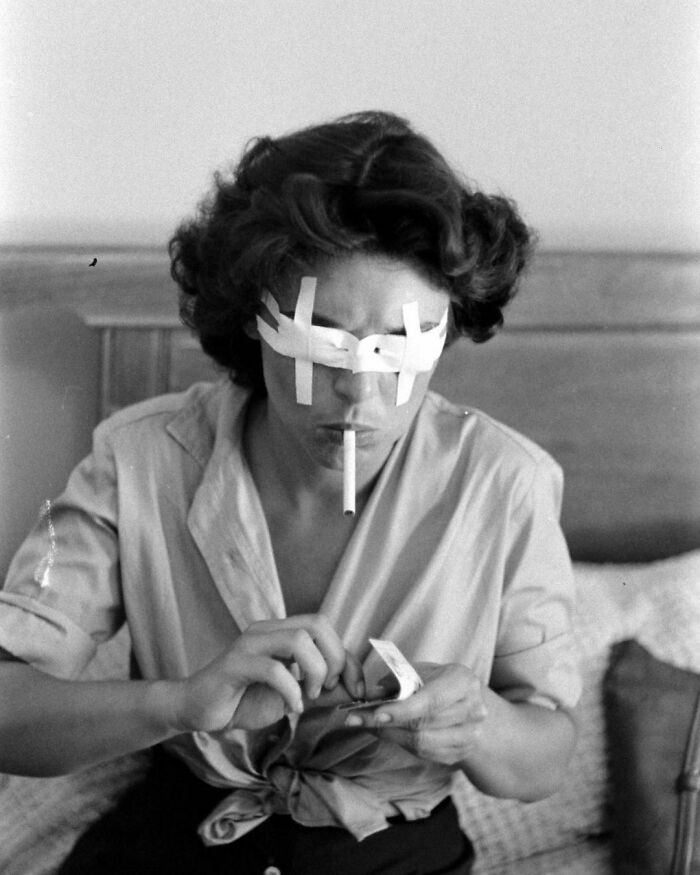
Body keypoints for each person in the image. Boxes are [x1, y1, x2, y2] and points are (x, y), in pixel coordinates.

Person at [0, 111, 580, 874]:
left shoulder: (506, 483)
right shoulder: (139, 458)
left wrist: (478, 724)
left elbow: (546, 757)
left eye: (402, 347)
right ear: (253, 320)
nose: (360, 393)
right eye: (321, 341)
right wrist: (176, 703)